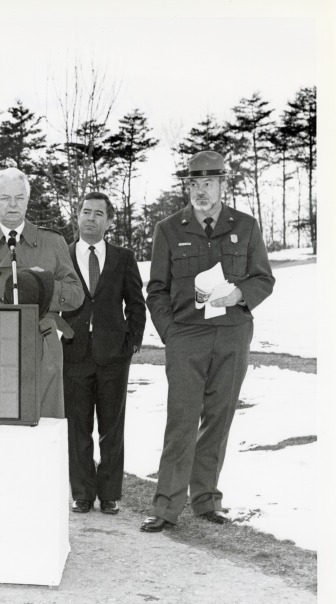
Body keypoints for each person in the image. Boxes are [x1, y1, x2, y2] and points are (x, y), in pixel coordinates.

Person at [140, 151, 275, 533]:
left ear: (222, 185)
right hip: (187, 337)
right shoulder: (169, 228)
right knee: (181, 420)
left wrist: (239, 295)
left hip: (232, 335)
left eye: (209, 183)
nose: (202, 191)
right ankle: (166, 507)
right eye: (195, 184)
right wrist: (171, 334)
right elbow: (157, 290)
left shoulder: (245, 226)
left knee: (219, 419)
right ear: (188, 186)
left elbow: (264, 279)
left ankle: (206, 501)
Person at [0, 167, 84, 418]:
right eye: (5, 198)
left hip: (42, 349)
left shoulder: (53, 242)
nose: (13, 205)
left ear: (28, 200)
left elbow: (76, 294)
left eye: (19, 197)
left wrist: (41, 290)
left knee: (43, 430)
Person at [61, 193, 146, 515]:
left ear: (109, 221)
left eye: (98, 214)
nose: (91, 218)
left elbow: (136, 303)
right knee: (78, 428)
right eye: (86, 211)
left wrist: (132, 343)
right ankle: (82, 493)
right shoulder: (63, 256)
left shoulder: (123, 258)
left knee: (112, 428)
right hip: (74, 353)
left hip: (113, 356)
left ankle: (109, 494)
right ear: (77, 216)